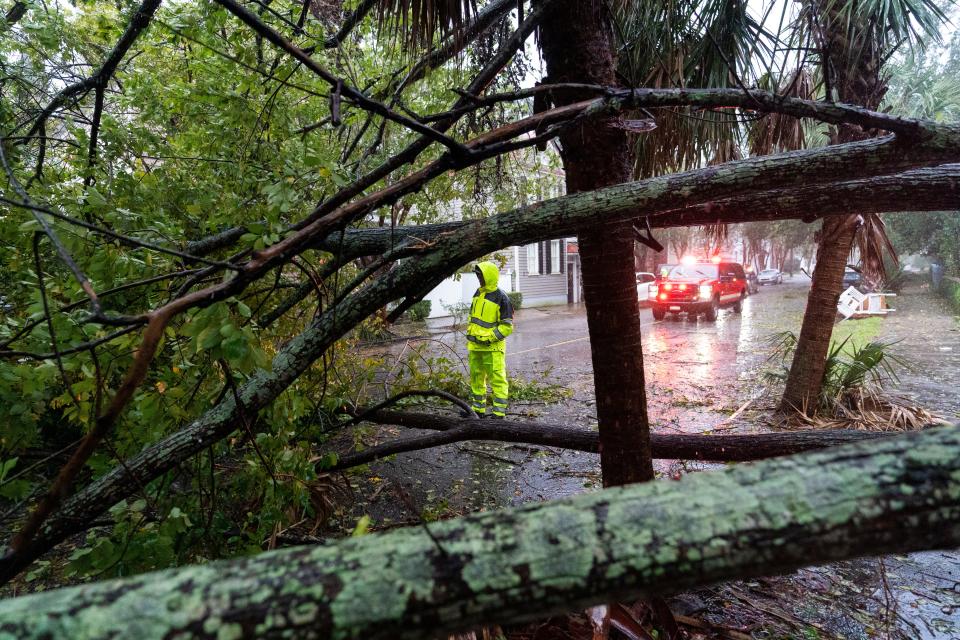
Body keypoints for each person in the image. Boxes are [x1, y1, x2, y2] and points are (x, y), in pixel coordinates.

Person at [466, 261, 514, 418]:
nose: (479, 279)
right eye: (478, 276)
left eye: (481, 276)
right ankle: (478, 410)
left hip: (492, 348)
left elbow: (507, 327)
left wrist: (489, 338)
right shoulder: (478, 293)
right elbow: (474, 319)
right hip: (475, 346)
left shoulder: (502, 297)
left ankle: (498, 413)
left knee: (497, 379)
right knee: (476, 378)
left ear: (489, 276)